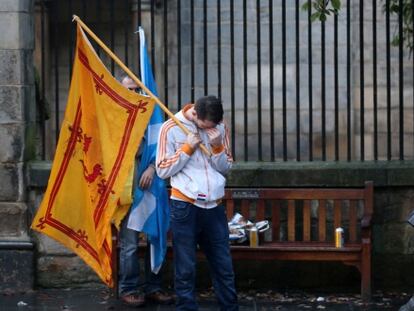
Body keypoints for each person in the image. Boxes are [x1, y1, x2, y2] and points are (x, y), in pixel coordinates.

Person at [156, 95, 238, 310]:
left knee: (223, 264)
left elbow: (225, 167)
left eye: (214, 125)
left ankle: (229, 307)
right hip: (185, 206)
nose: (210, 128)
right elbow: (162, 169)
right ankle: (187, 307)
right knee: (185, 266)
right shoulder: (170, 127)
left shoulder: (219, 127)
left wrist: (218, 146)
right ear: (196, 114)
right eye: (205, 125)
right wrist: (187, 149)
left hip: (214, 206)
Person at [118, 75, 174, 307]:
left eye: (137, 89)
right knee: (130, 244)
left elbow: (165, 150)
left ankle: (154, 287)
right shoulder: (116, 117)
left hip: (151, 186)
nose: (134, 93)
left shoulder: (154, 119)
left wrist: (152, 167)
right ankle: (128, 288)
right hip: (126, 189)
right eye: (128, 89)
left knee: (155, 237)